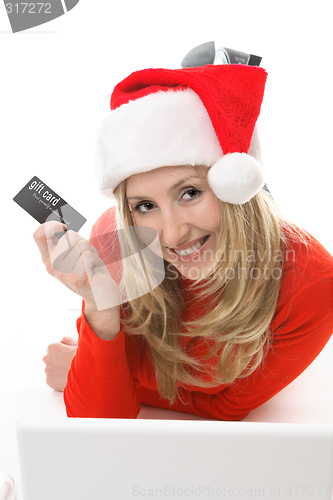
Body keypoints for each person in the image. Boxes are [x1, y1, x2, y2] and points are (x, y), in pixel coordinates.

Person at [34, 64, 333, 420]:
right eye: (145, 206)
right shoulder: (122, 245)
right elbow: (103, 429)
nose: (172, 234)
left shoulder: (312, 283)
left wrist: (87, 369)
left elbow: (227, 408)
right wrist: (101, 309)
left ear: (230, 184)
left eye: (190, 193)